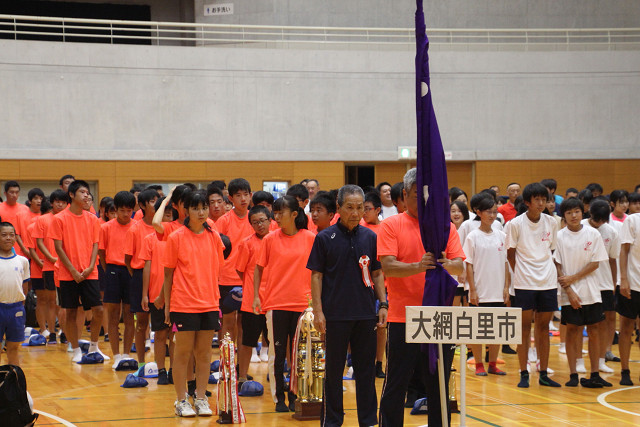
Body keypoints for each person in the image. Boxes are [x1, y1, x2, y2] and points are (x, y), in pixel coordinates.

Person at [378, 168, 464, 427]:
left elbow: (460, 265)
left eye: (430, 196)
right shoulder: (391, 225)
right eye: (418, 196)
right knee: (397, 382)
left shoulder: (444, 227)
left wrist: (447, 262)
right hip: (403, 317)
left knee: (439, 384)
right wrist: (419, 265)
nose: (425, 202)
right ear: (404, 195)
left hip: (439, 318)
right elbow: (388, 266)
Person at [308, 185, 387, 427]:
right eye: (350, 207)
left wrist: (383, 303)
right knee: (333, 372)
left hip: (365, 315)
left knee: (365, 371)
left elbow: (376, 274)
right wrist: (319, 311)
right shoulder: (324, 238)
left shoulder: (371, 237)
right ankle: (332, 421)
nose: (355, 213)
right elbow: (316, 276)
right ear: (339, 208)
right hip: (335, 316)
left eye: (360, 208)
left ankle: (368, 421)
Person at [163, 190, 225, 417]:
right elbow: (167, 275)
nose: (202, 212)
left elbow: (217, 269)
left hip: (209, 303)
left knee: (204, 354)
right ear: (186, 210)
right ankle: (181, 400)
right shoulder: (176, 237)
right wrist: (169, 306)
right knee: (182, 354)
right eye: (197, 208)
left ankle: (200, 398)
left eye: (204, 208)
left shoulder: (214, 236)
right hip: (184, 304)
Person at [252, 196, 315, 413]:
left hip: (303, 306)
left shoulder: (310, 238)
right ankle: (279, 398)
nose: (276, 218)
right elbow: (258, 269)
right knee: (277, 355)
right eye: (275, 213)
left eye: (281, 213)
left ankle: (296, 394)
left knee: (300, 355)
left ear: (295, 214)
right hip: (276, 304)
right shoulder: (269, 239)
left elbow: (318, 273)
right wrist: (256, 297)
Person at [505, 182, 560, 388]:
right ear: (527, 202)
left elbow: (552, 250)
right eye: (536, 199)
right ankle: (523, 372)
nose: (541, 203)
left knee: (544, 328)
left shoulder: (552, 223)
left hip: (547, 281)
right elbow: (510, 255)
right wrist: (522, 272)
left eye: (543, 199)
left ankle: (543, 373)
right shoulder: (515, 224)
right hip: (524, 282)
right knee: (524, 328)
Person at [554, 197, 610, 388]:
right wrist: (568, 290)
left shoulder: (593, 234)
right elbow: (558, 265)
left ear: (582, 212)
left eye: (576, 211)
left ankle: (594, 373)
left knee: (594, 330)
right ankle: (573, 374)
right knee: (572, 331)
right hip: (569, 293)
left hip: (591, 291)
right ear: (564, 216)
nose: (573, 216)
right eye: (569, 213)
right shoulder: (559, 236)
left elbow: (595, 263)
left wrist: (573, 278)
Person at [49, 180, 105, 363]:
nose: (87, 195)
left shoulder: (93, 219)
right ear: (71, 195)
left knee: (98, 310)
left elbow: (96, 245)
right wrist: (72, 270)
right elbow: (58, 248)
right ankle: (75, 349)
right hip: (67, 273)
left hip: (90, 272)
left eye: (88, 193)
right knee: (71, 312)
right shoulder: (59, 219)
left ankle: (94, 346)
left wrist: (90, 267)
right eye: (82, 192)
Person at [464, 196, 509, 376]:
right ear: (479, 213)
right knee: (477, 329)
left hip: (498, 290)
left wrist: (506, 287)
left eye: (494, 212)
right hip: (479, 291)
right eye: (488, 212)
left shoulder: (502, 236)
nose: (492, 215)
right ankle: (479, 364)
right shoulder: (472, 236)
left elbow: (506, 263)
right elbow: (469, 264)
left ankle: (492, 363)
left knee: (496, 330)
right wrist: (472, 289)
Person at [582, 200, 621, 372]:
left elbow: (613, 260)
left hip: (604, 283)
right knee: (580, 323)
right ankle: (578, 360)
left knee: (604, 322)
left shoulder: (611, 232)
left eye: (602, 220)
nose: (598, 223)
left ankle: (603, 356)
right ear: (590, 214)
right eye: (595, 219)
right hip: (583, 282)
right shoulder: (580, 226)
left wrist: (613, 283)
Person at [99, 191, 136, 368]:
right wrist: (109, 272)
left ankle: (127, 354)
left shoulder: (137, 227)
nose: (126, 214)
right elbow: (102, 253)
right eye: (122, 210)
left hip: (131, 271)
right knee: (113, 315)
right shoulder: (106, 228)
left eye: (129, 211)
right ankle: (116, 355)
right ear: (115, 209)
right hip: (113, 270)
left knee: (129, 315)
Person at [140, 197, 175, 385]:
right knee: (160, 334)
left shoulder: (178, 235)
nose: (166, 218)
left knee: (175, 336)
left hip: (177, 294)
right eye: (164, 214)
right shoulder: (149, 239)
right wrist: (145, 294)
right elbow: (147, 266)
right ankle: (161, 369)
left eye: (170, 215)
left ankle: (173, 370)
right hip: (156, 294)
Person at [235, 205, 272, 384]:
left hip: (274, 300)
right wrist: (252, 287)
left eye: (262, 221)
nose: (259, 225)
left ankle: (276, 375)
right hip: (253, 302)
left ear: (270, 220)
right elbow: (240, 270)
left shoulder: (276, 240)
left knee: (275, 342)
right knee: (248, 341)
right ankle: (242, 376)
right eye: (255, 222)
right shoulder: (247, 243)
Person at [216, 178, 254, 343]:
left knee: (244, 322)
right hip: (226, 278)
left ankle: (241, 359)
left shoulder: (255, 219)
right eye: (238, 195)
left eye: (246, 195)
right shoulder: (223, 221)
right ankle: (227, 362)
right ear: (230, 198)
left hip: (248, 278)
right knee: (228, 321)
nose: (243, 199)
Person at [125, 188, 159, 366]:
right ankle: (140, 363)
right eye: (153, 201)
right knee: (142, 322)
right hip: (139, 276)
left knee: (164, 324)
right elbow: (128, 259)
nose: (157, 204)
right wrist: (138, 278)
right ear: (143, 206)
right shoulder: (134, 229)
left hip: (162, 277)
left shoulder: (164, 226)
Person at [34, 189, 69, 344]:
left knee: (65, 302)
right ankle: (52, 332)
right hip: (49, 266)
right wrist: (51, 258)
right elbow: (39, 242)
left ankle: (64, 331)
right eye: (56, 201)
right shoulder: (42, 220)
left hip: (67, 266)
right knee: (50, 301)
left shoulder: (69, 219)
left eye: (62, 201)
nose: (59, 204)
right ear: (52, 202)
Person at [0, 222, 30, 366]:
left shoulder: (22, 261)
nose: (8, 238)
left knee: (13, 348)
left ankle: (14, 385)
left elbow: (25, 286)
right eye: (4, 235)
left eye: (11, 235)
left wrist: (20, 305)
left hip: (16, 309)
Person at [617, 210, 640, 385]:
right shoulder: (632, 220)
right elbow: (623, 251)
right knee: (626, 327)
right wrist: (623, 279)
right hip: (632, 283)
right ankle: (625, 370)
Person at [0, 181, 29, 256]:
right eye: (11, 192)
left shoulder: (25, 209)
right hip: (3, 251)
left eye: (16, 192)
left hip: (23, 251)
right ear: (5, 193)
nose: (14, 195)